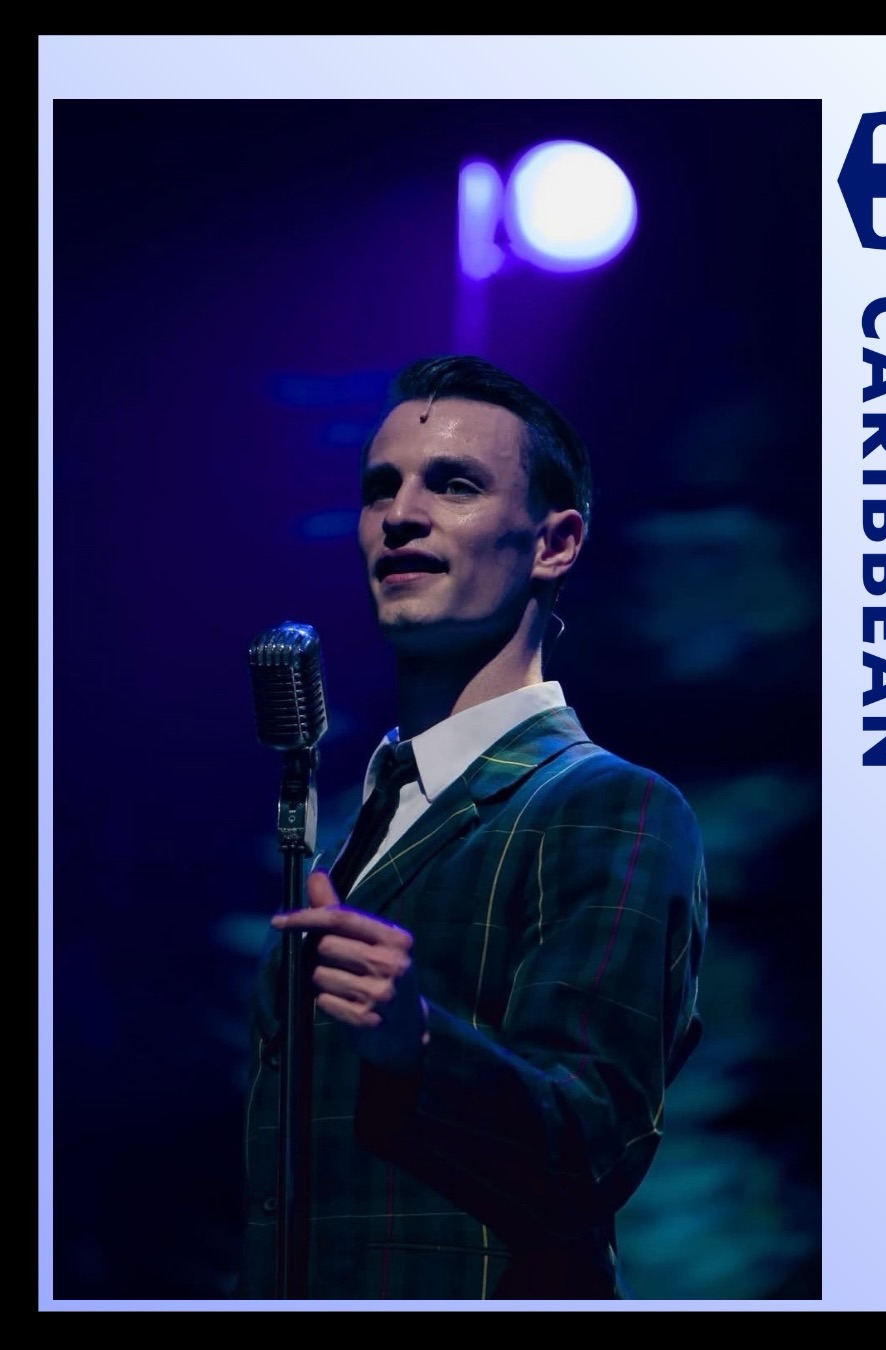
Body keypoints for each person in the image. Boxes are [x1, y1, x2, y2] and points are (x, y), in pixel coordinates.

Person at [238, 354, 708, 1301]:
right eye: (381, 488)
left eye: (453, 485)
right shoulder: (357, 828)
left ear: (555, 543)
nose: (400, 515)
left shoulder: (612, 806)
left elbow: (593, 1145)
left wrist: (419, 1041)